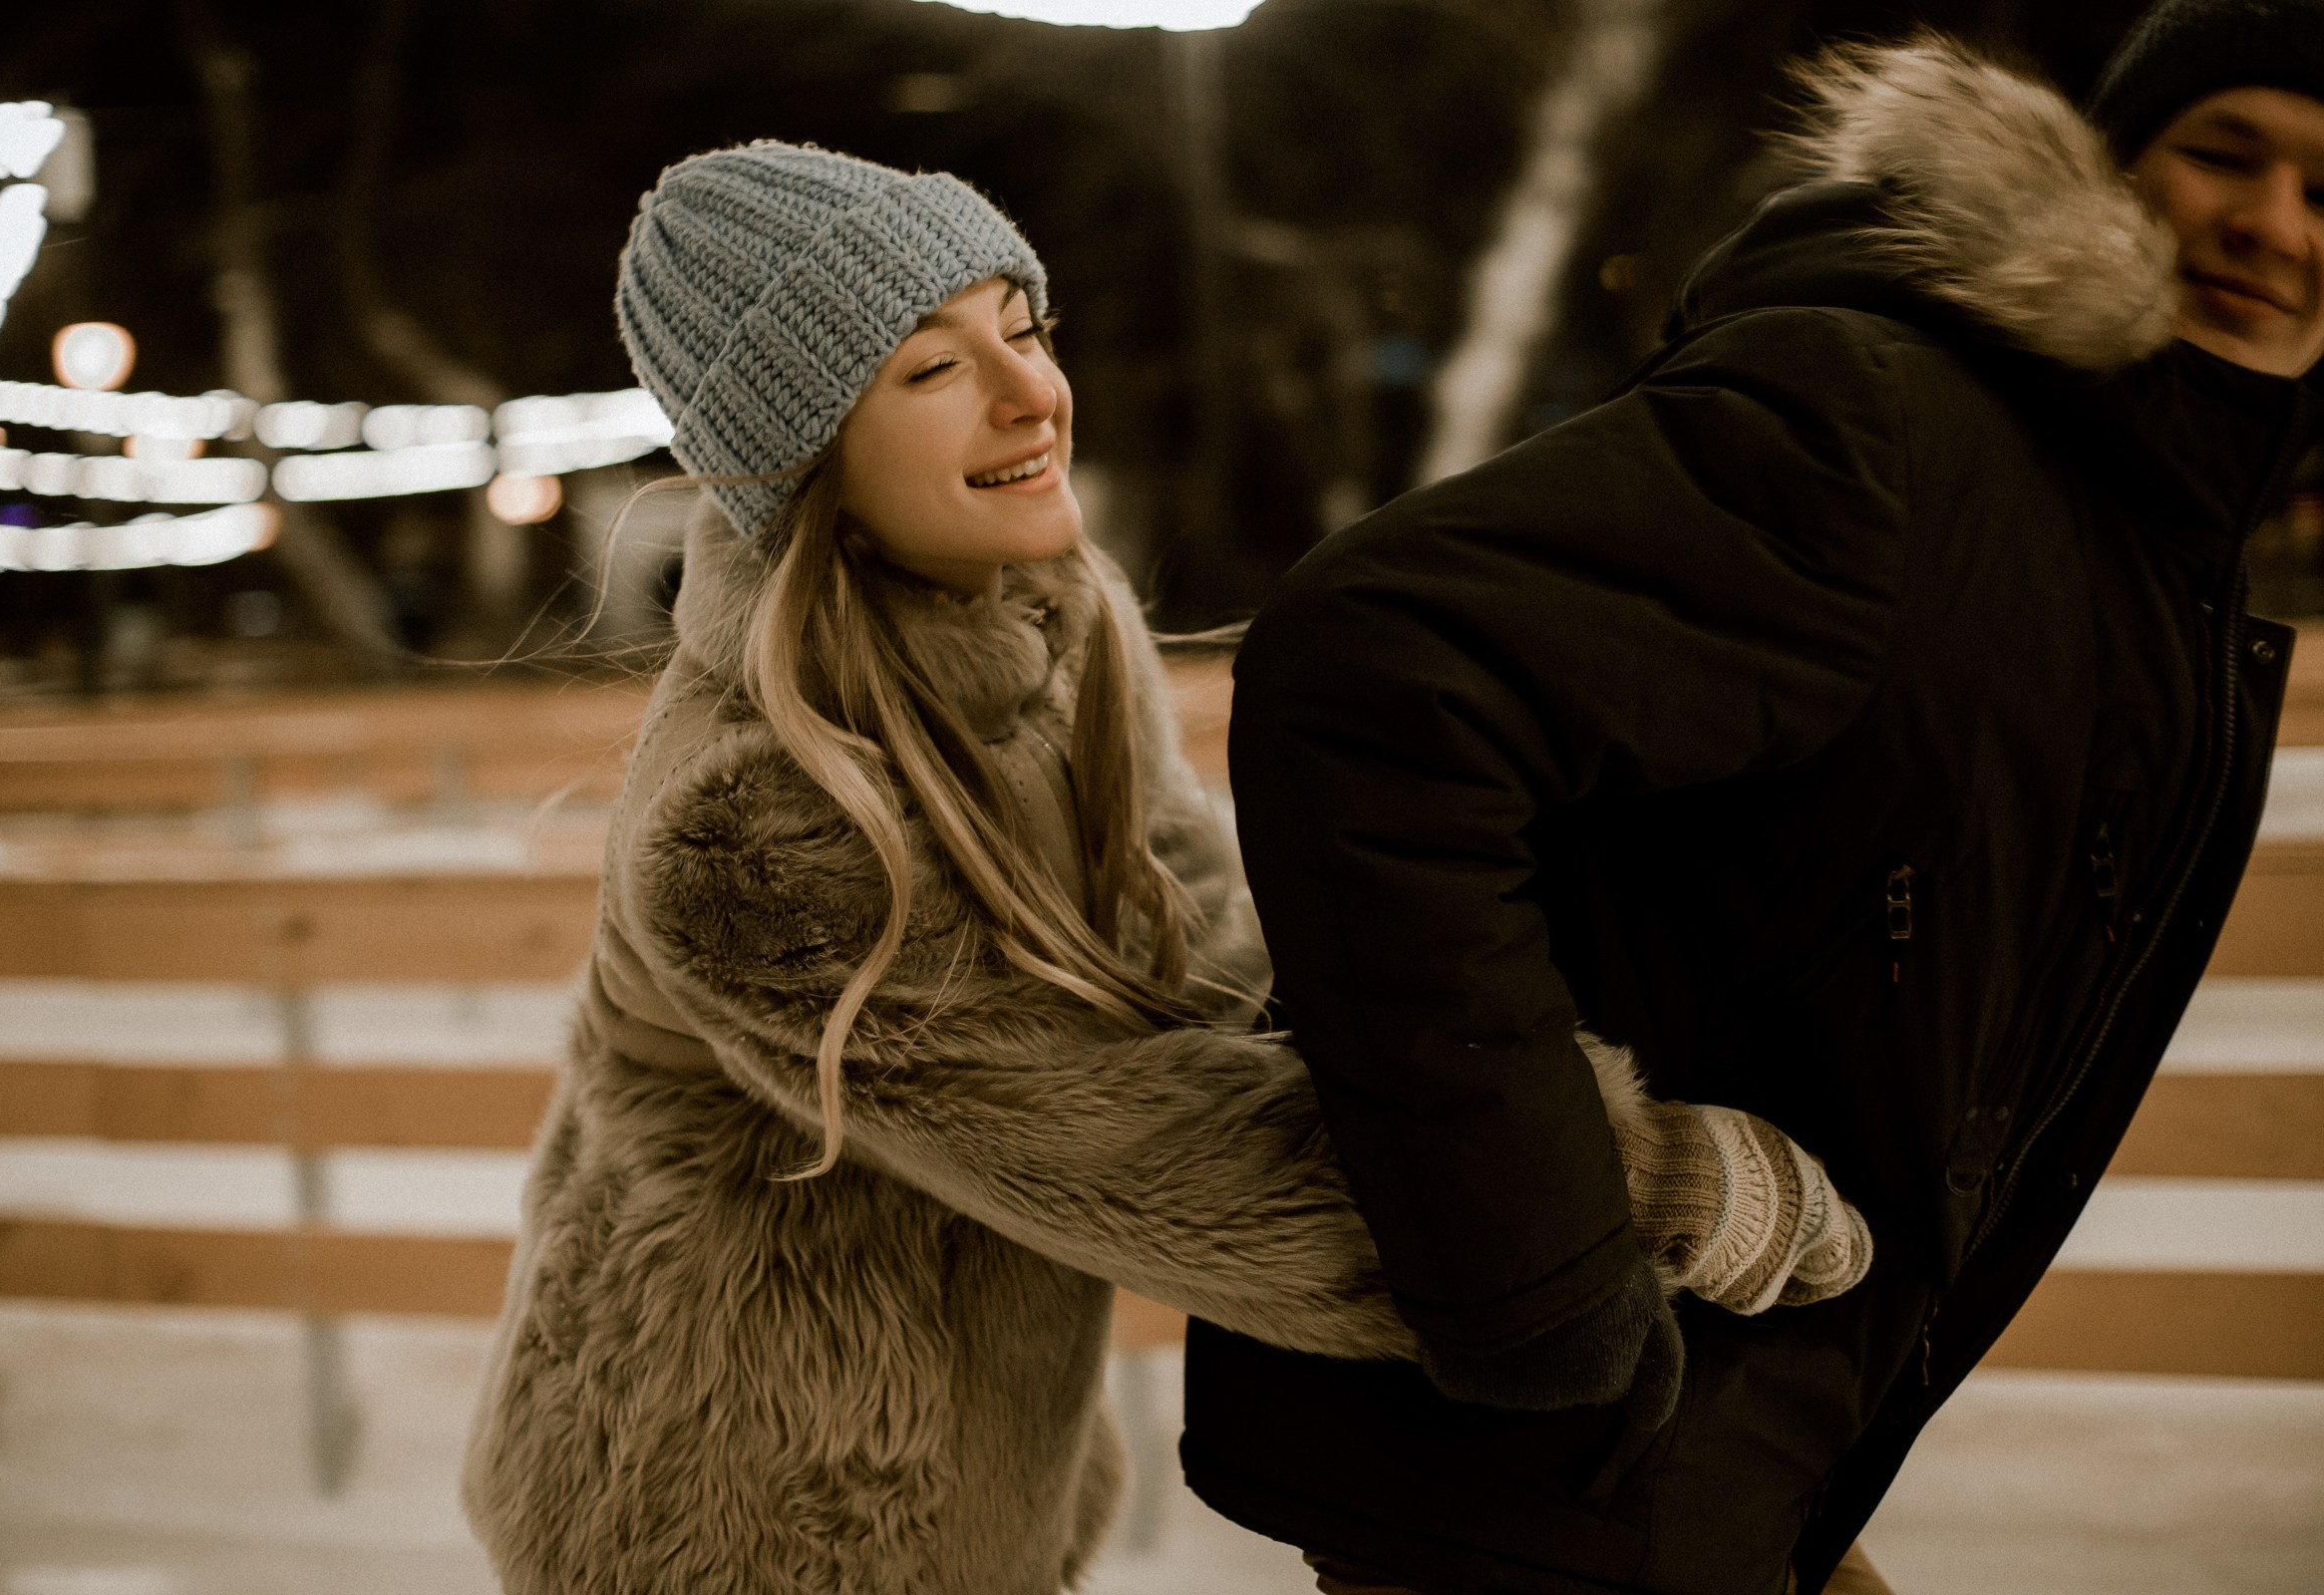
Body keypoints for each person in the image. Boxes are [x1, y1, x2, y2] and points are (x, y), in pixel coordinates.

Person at [460, 144, 1869, 1595]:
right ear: (799, 453)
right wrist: (1619, 1195)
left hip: (957, 1461)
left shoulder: (1052, 607)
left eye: (1023, 329)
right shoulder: (760, 826)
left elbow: (1202, 955)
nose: (1031, 396)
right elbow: (1146, 1150)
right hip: (725, 1516)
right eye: (930, 369)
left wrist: (1510, 1049)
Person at [1191, 6, 2324, 1594]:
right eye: (2226, 153)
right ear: (2110, 169)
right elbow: (1371, 675)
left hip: (1728, 1457)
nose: (2275, 224)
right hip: (1561, 1463)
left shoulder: (2148, 558)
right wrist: (1541, 1275)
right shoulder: (1888, 425)